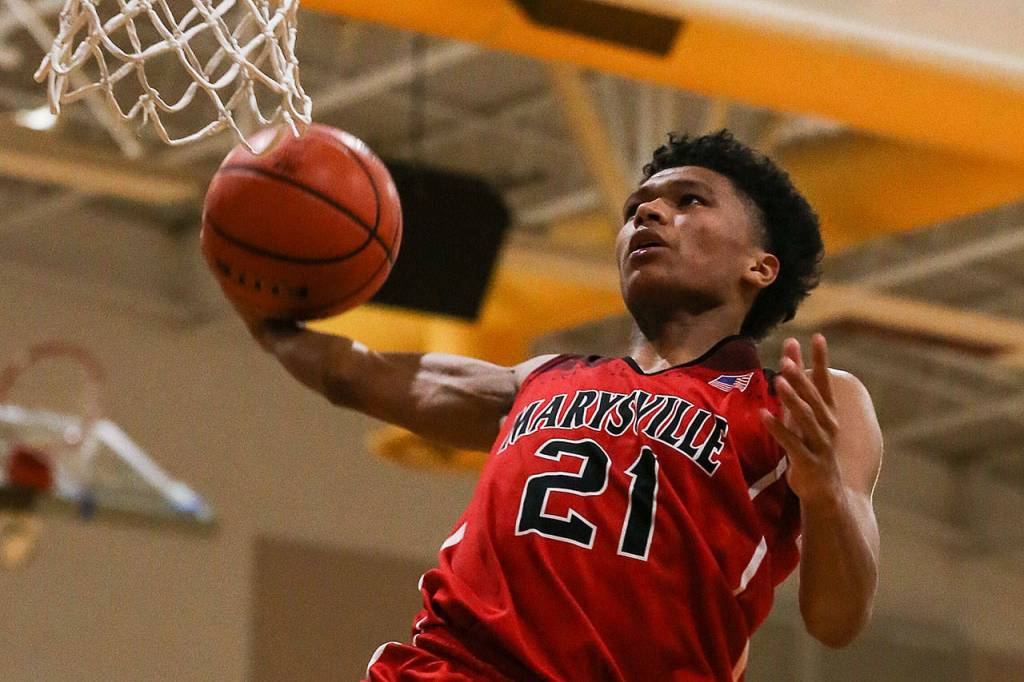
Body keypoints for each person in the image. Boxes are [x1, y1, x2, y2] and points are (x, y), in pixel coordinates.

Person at [242, 130, 882, 680]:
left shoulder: (802, 399)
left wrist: (824, 492)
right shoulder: (540, 380)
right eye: (638, 207)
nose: (649, 215)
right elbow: (354, 373)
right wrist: (257, 304)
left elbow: (837, 620)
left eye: (688, 201)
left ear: (760, 267)